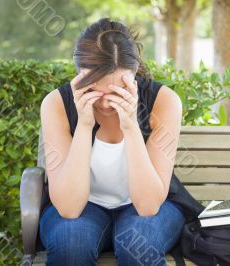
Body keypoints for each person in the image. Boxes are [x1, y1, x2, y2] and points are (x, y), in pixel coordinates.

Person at [38, 17, 187, 266]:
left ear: (134, 72)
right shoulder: (57, 104)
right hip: (83, 207)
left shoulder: (163, 101)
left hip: (148, 206)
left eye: (118, 91)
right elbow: (69, 209)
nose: (107, 103)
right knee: (71, 241)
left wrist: (130, 125)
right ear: (79, 75)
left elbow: (148, 206)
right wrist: (84, 125)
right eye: (95, 91)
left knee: (139, 242)